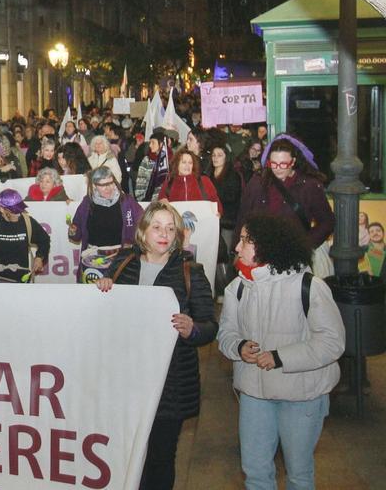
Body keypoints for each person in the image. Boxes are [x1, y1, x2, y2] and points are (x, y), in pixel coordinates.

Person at [96, 201, 217, 490]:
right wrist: (102, 290)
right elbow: (104, 317)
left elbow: (209, 326)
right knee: (125, 455)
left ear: (178, 235)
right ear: (143, 231)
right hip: (126, 380)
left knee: (160, 458)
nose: (164, 234)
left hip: (170, 383)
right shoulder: (124, 262)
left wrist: (193, 329)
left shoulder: (191, 271)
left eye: (171, 228)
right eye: (157, 227)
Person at [217, 214, 344, 490]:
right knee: (255, 473)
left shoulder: (309, 286)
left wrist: (279, 357)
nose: (237, 248)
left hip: (303, 396)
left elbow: (332, 343)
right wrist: (239, 347)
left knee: (298, 474)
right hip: (254, 395)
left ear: (268, 245)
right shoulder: (237, 288)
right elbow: (226, 334)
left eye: (245, 240)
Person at [234, 135, 335, 277]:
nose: (277, 169)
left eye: (283, 164)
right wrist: (239, 246)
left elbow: (327, 222)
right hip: (259, 258)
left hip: (293, 260)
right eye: (273, 164)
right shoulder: (258, 183)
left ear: (293, 161)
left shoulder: (309, 186)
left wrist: (305, 245)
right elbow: (243, 217)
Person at [69, 166, 144, 283]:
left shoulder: (127, 201)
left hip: (121, 260)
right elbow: (75, 235)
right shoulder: (87, 203)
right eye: (103, 185)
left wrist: (132, 243)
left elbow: (144, 224)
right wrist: (72, 230)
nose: (108, 188)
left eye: (110, 183)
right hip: (92, 260)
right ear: (94, 185)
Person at [157, 150, 223, 214]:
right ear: (177, 164)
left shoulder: (205, 181)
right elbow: (160, 203)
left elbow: (217, 204)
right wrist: (162, 202)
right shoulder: (169, 183)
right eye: (184, 162)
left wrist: (218, 213)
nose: (187, 165)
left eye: (190, 163)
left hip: (201, 224)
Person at [134, 131, 170, 202]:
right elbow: (140, 181)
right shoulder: (147, 160)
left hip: (164, 200)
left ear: (161, 144)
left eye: (153, 143)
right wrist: (141, 199)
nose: (150, 145)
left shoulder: (169, 160)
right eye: (150, 142)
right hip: (147, 200)